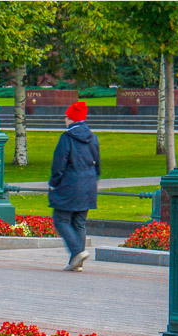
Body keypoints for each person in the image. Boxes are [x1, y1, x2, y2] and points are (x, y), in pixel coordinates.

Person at [48, 101, 101, 272]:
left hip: (70, 185)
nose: (64, 119)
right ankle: (76, 262)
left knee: (61, 219)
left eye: (66, 116)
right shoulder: (93, 137)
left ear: (70, 118)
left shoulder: (67, 138)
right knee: (79, 222)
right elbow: (97, 165)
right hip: (88, 185)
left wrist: (53, 184)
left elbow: (59, 165)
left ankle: (77, 252)